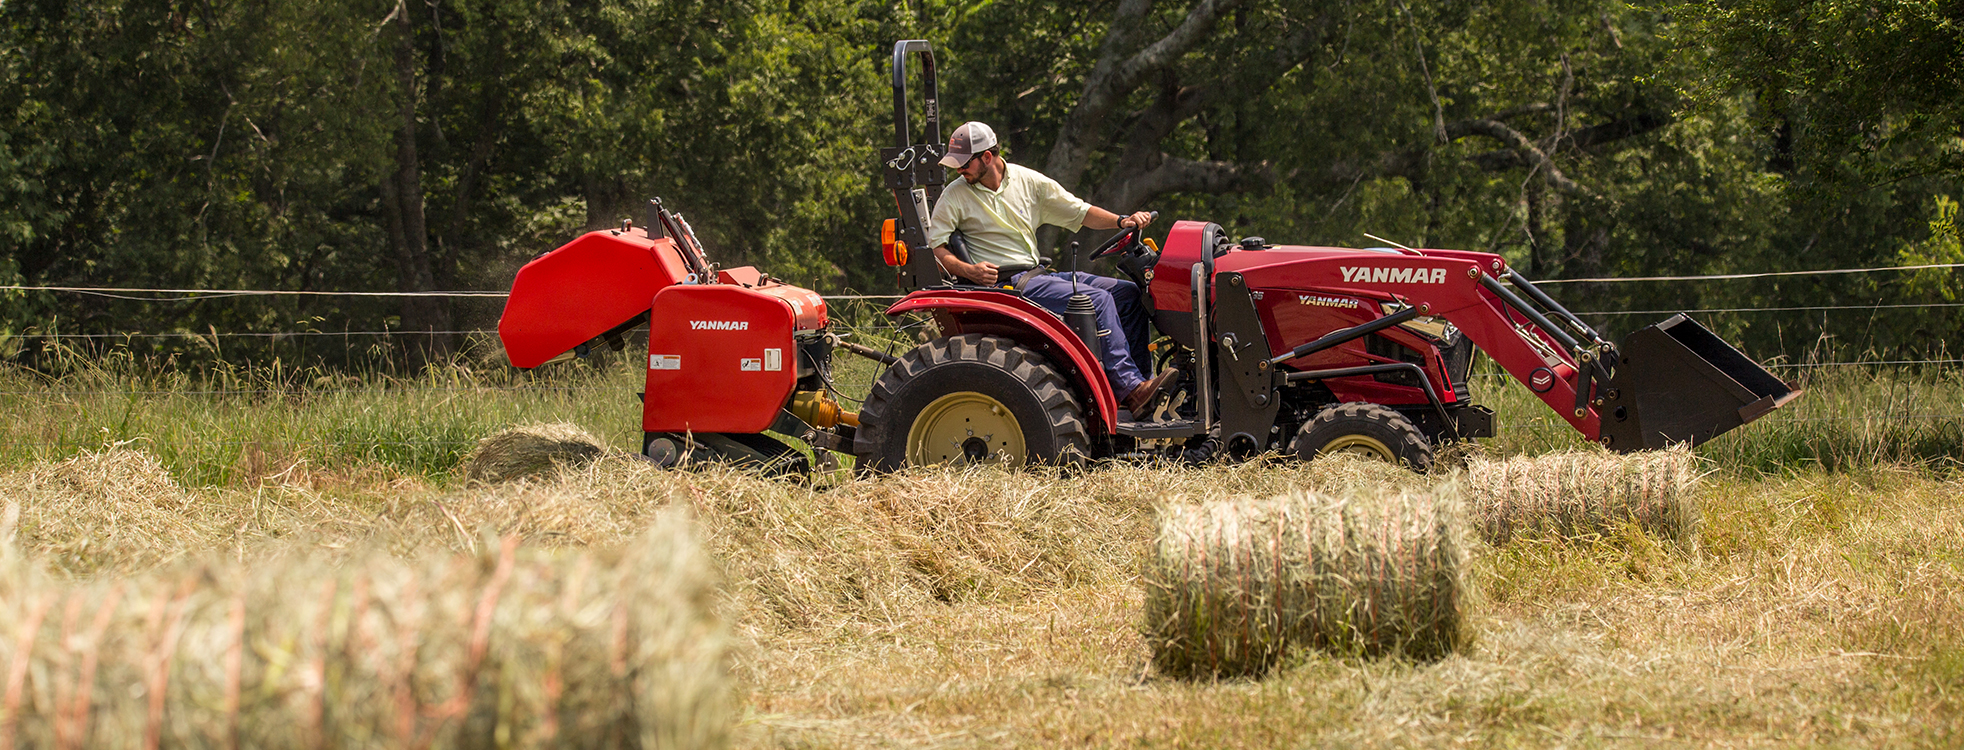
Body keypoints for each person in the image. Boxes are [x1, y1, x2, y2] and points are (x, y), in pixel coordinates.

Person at [928, 121, 1175, 415]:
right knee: (1097, 300)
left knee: (1128, 294)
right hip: (1006, 283)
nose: (959, 171)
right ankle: (1132, 389)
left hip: (1036, 275)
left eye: (963, 164)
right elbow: (937, 249)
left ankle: (1139, 387)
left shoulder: (1027, 181)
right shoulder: (954, 194)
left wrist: (1122, 222)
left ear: (987, 157)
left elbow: (1079, 212)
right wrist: (969, 271)